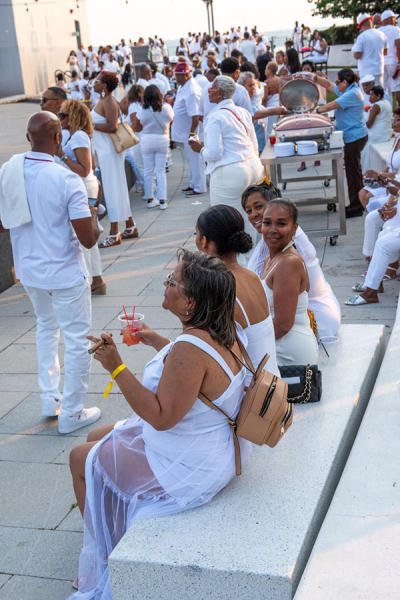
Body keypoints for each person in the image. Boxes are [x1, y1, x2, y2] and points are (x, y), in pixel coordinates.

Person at [68, 249, 251, 598]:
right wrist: (152, 338)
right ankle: (112, 530)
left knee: (80, 458)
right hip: (208, 445)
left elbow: (161, 417)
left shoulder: (189, 348)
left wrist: (116, 366)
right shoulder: (220, 328)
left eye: (172, 281)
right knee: (96, 435)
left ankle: (106, 559)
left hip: (189, 465)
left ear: (190, 303)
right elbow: (193, 374)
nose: (165, 285)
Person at [0, 112, 101, 432]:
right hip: (64, 272)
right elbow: (88, 240)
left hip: (30, 271)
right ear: (59, 139)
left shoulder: (8, 172)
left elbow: (3, 223)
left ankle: (49, 398)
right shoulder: (66, 179)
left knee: (46, 327)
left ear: (28, 138)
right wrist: (94, 216)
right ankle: (71, 413)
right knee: (77, 339)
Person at [243, 184, 341, 341]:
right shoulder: (272, 238)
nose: (254, 214)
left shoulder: (287, 249)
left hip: (315, 323)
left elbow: (283, 324)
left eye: (259, 207)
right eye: (249, 211)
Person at [195, 205, 279, 376]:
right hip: (272, 380)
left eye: (195, 234)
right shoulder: (251, 276)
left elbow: (204, 353)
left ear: (204, 241)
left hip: (250, 388)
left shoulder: (218, 287)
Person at [188, 76, 263, 210]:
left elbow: (214, 153)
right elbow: (254, 145)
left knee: (226, 218)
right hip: (253, 167)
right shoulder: (243, 112)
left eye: (212, 88)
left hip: (230, 173)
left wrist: (200, 149)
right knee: (252, 215)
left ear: (220, 93)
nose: (208, 91)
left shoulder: (215, 117)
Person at [56, 99, 106, 295]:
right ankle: (96, 279)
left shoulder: (78, 137)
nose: (59, 118)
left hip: (82, 188)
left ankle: (88, 280)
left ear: (73, 117)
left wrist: (62, 155)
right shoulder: (78, 136)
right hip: (86, 188)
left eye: (62, 115)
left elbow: (85, 170)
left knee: (82, 235)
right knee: (88, 233)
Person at [260, 199, 319, 366]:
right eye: (267, 223)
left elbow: (283, 325)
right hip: (277, 344)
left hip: (288, 352)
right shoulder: (270, 259)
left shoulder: (288, 263)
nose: (272, 230)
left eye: (281, 224)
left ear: (294, 228)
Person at [91, 70, 138, 246]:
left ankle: (114, 232)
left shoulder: (109, 101)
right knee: (118, 188)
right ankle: (130, 226)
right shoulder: (104, 100)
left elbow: (112, 126)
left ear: (104, 85)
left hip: (110, 152)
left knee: (112, 190)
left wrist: (90, 125)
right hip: (106, 151)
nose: (94, 83)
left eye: (97, 81)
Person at [315, 68, 368, 218]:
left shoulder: (352, 94)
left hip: (354, 137)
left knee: (353, 173)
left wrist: (313, 110)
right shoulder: (348, 89)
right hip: (352, 136)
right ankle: (359, 202)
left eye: (338, 81)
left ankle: (356, 207)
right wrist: (315, 78)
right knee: (354, 171)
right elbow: (329, 85)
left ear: (345, 82)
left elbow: (329, 106)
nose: (336, 84)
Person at [132, 84, 174, 210]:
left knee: (148, 171)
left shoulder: (142, 110)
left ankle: (150, 199)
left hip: (147, 140)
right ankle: (162, 201)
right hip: (162, 139)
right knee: (161, 171)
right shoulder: (167, 108)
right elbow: (171, 121)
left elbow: (137, 127)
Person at [171, 61, 206, 198]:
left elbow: (196, 117)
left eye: (178, 75)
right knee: (191, 161)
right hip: (186, 133)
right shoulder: (183, 86)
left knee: (196, 160)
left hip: (191, 132)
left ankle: (199, 186)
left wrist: (192, 135)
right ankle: (193, 184)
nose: (176, 78)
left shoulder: (192, 91)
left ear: (186, 75)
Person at [359, 108, 400, 212]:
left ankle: (381, 218)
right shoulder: (397, 139)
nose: (394, 123)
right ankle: (376, 218)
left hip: (396, 183)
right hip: (387, 180)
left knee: (369, 197)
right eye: (393, 119)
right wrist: (378, 176)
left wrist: (380, 176)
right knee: (362, 193)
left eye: (398, 120)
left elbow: (398, 174)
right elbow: (389, 163)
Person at [361, 85, 392, 171]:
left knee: (363, 151)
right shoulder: (387, 103)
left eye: (372, 95)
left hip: (376, 136)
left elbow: (369, 124)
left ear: (378, 96)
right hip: (386, 134)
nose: (369, 97)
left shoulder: (376, 106)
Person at [352, 13, 388, 86]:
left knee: (367, 92)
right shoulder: (382, 34)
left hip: (366, 71)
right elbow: (385, 52)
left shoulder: (362, 37)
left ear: (362, 25)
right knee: (379, 91)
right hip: (379, 69)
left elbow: (357, 55)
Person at [379, 9, 400, 102]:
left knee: (385, 88)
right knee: (398, 87)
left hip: (382, 62)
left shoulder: (378, 31)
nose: (395, 20)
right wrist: (399, 63)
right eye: (394, 18)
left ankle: (387, 109)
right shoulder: (396, 30)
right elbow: (398, 47)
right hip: (393, 62)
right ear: (389, 19)